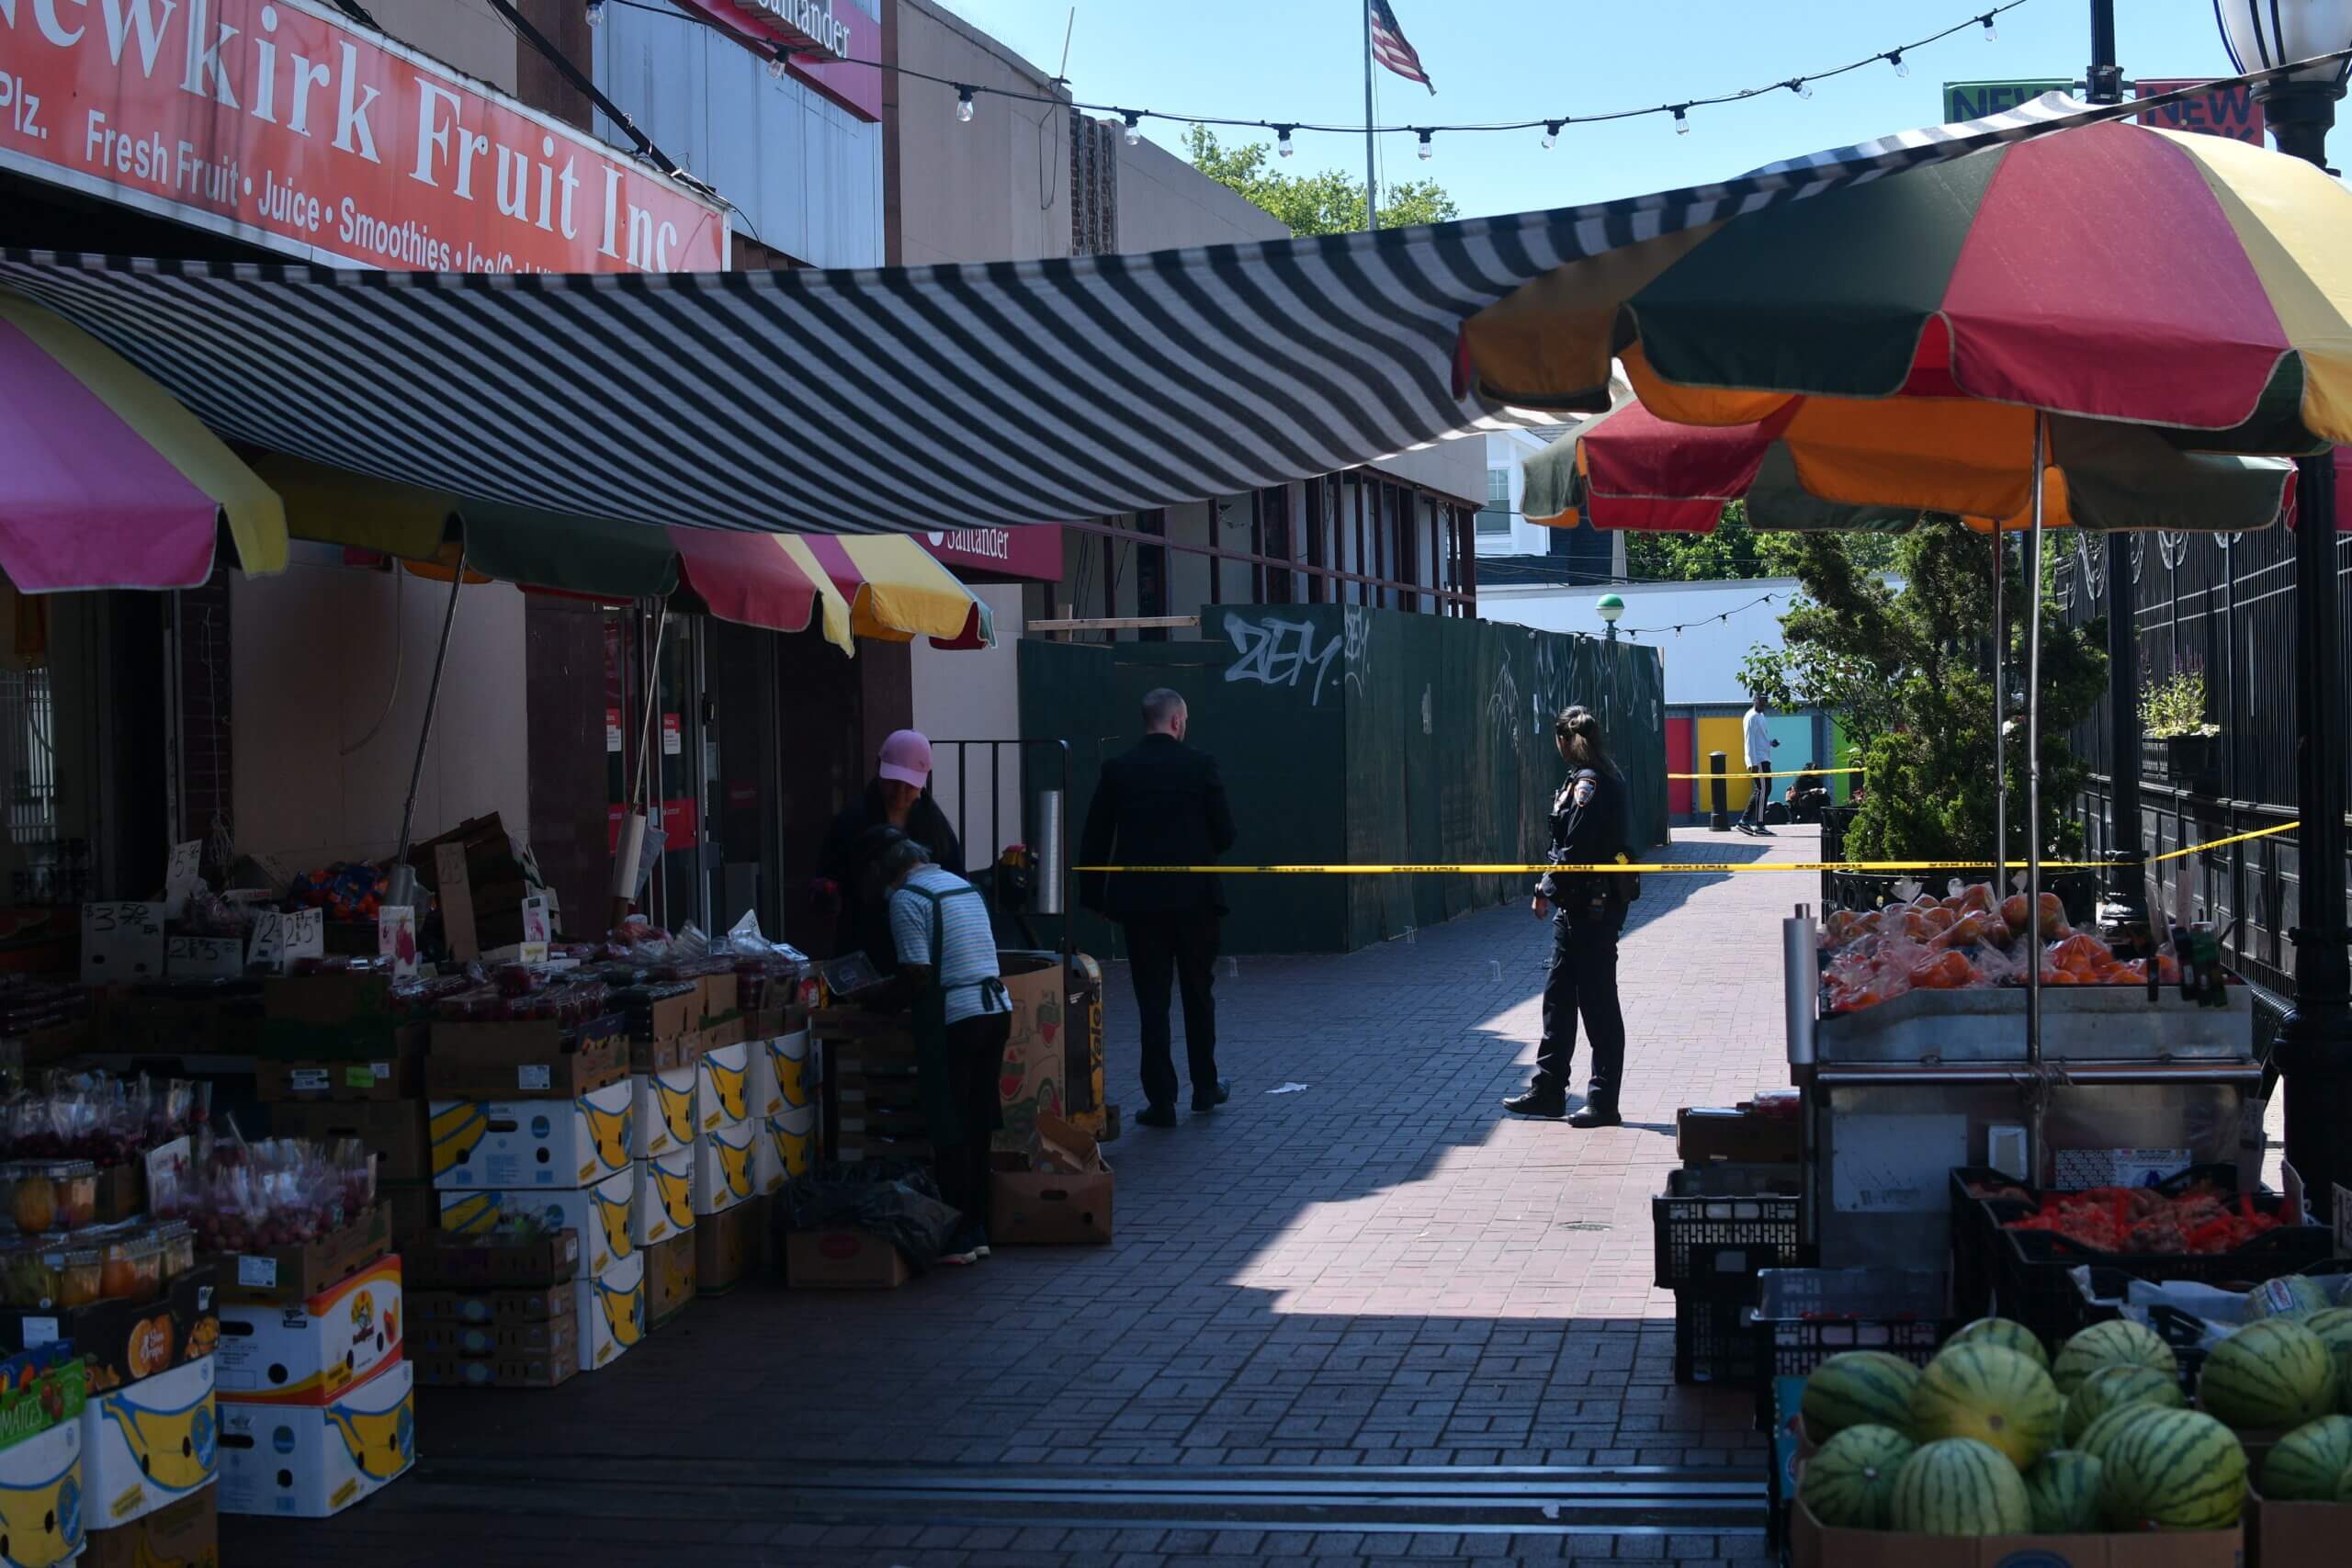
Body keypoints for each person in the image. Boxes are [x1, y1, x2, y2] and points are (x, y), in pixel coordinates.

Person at [1079, 688, 1236, 1129]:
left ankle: (1161, 1101)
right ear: (1178, 722)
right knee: (1198, 994)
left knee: (1152, 1001)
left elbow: (1096, 838)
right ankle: (1205, 1087)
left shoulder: (1118, 770)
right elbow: (1226, 834)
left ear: (1147, 720)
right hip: (1195, 901)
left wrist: (1094, 897)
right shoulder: (1200, 765)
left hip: (1141, 905)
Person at [879, 832, 1011, 1263]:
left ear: (888, 871)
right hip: (996, 1011)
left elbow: (917, 974)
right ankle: (980, 1228)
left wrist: (875, 1001)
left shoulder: (907, 899)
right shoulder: (962, 886)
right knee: (978, 1124)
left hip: (957, 1018)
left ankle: (957, 1237)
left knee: (950, 1127)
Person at [1505, 705, 1631, 1128]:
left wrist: (1544, 889)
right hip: (1578, 908)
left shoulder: (1590, 783)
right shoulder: (1594, 777)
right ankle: (1548, 1091)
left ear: (1564, 740)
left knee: (1598, 1004)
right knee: (1559, 1000)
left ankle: (1603, 1101)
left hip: (1592, 909)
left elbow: (1575, 849)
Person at [820, 729, 966, 971]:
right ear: (878, 768)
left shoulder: (935, 827)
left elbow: (955, 878)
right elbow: (828, 875)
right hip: (862, 939)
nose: (899, 792)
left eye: (909, 785)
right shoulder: (852, 820)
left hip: (921, 941)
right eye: (893, 782)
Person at [1736, 694, 1778, 836]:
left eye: (1765, 701)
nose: (1763, 703)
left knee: (1763, 790)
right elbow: (1749, 741)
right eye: (1760, 700)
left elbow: (1760, 739)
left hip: (1764, 757)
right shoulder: (1751, 717)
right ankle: (1758, 825)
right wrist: (1751, 762)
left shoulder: (1761, 716)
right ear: (1754, 700)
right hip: (1758, 760)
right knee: (1763, 789)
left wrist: (1770, 743)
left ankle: (1745, 821)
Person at [1786, 762, 1830, 826]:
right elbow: (1798, 793)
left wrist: (1822, 791)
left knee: (1825, 797)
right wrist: (1810, 791)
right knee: (1808, 798)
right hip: (1800, 800)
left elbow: (1821, 788)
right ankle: (1808, 818)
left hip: (1816, 797)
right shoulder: (1800, 779)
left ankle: (1827, 818)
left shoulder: (1816, 780)